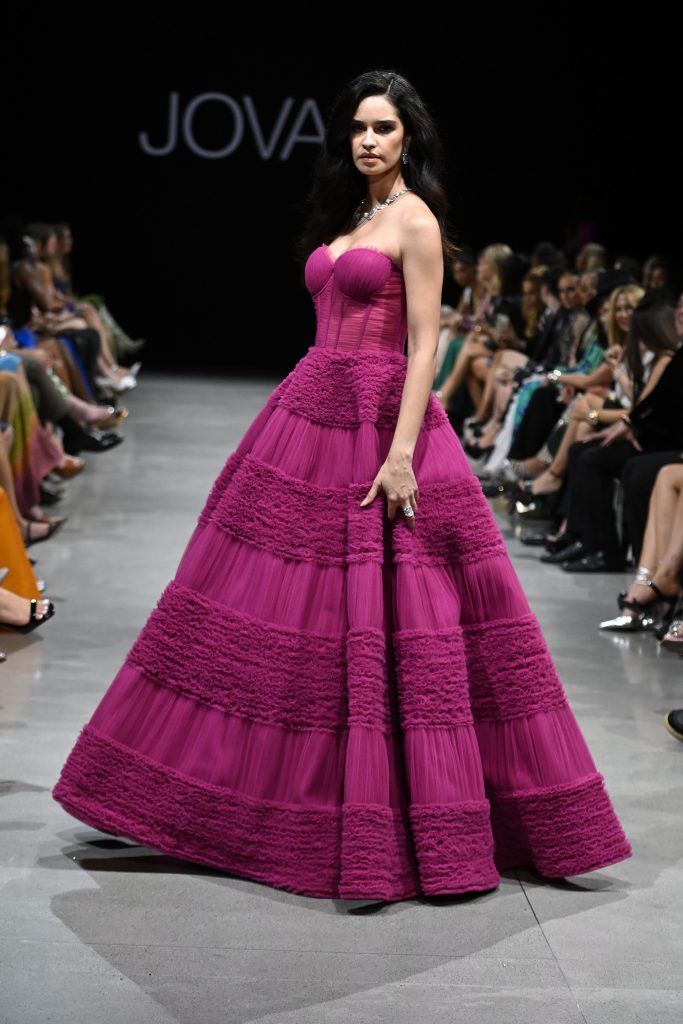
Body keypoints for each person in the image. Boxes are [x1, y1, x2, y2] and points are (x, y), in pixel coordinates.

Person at [52, 69, 631, 902]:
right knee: (280, 620)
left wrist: (399, 454)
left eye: (384, 129)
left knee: (395, 620)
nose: (368, 140)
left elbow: (424, 347)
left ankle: (410, 821)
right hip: (309, 417)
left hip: (380, 425)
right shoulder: (352, 215)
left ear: (409, 140)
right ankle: (230, 802)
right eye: (359, 127)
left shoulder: (417, 222)